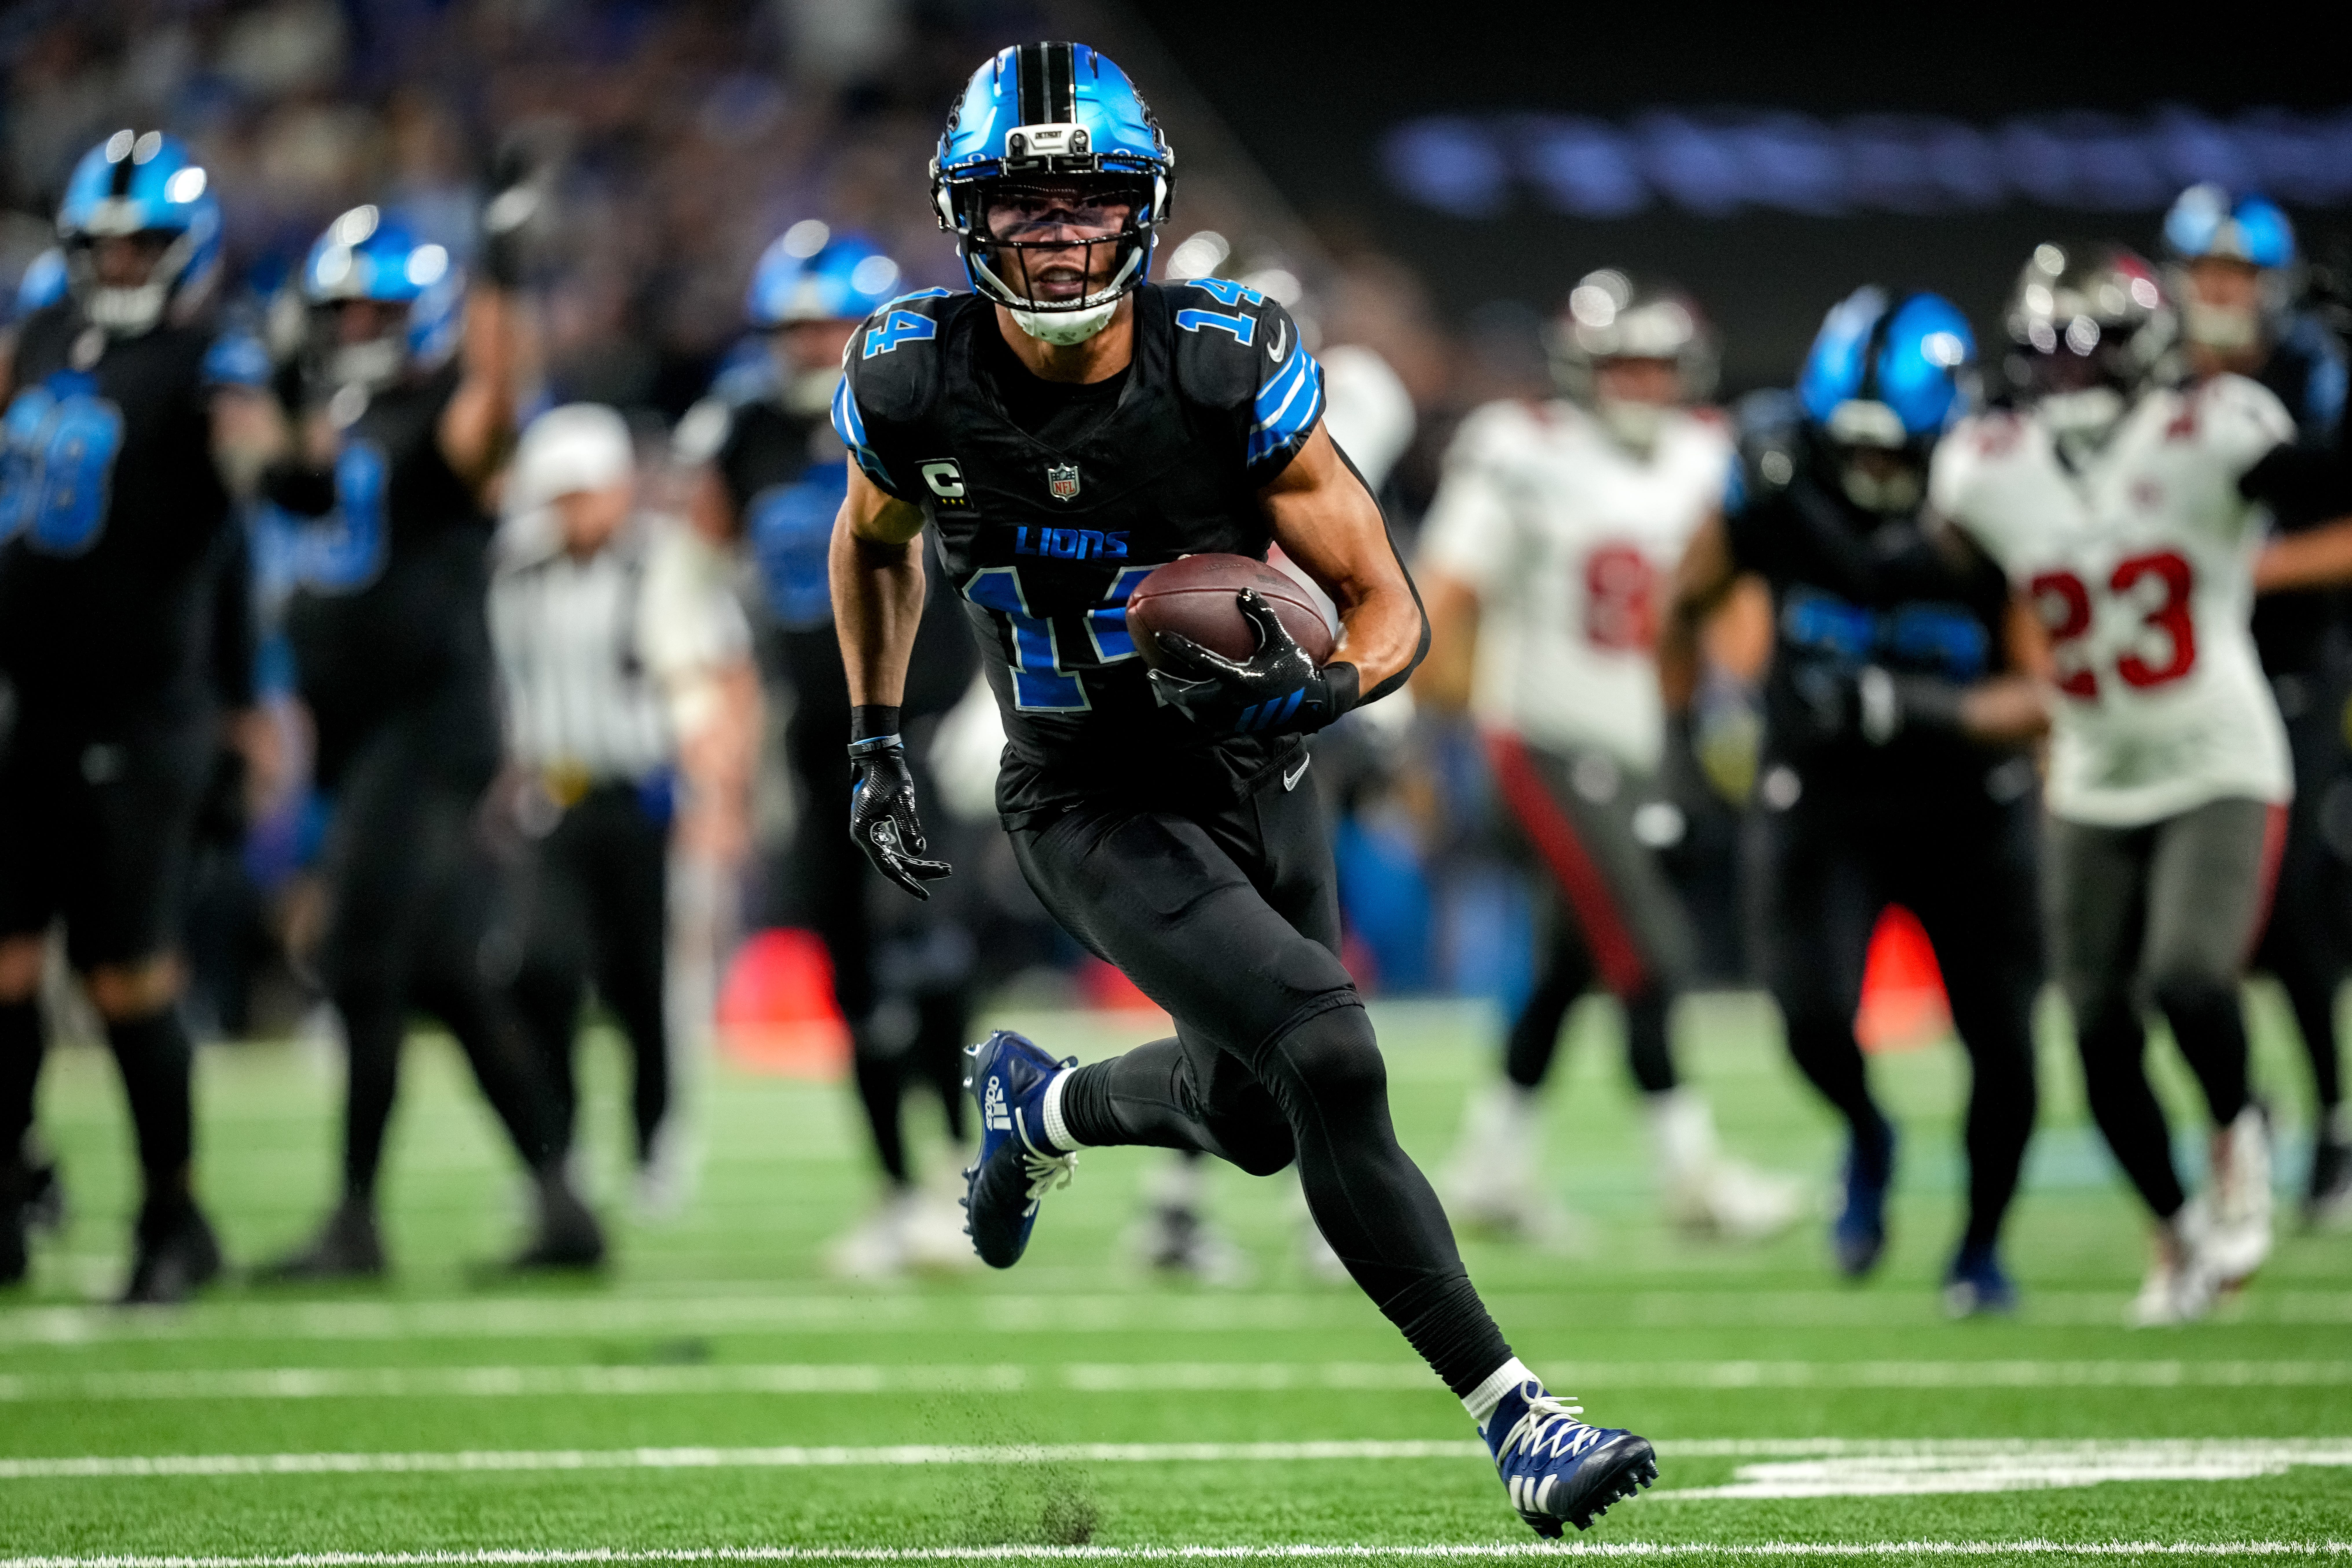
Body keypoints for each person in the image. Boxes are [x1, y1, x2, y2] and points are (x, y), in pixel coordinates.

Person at [830, 43, 1658, 1536]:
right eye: (1025, 207)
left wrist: (1323, 689)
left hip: (1258, 766)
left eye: (1089, 199)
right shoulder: (912, 372)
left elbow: (1382, 594)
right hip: (1085, 793)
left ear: (1143, 208)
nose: (1062, 234)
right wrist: (875, 733)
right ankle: (1520, 1415)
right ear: (967, 220)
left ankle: (1045, 1107)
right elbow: (871, 539)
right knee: (1330, 1052)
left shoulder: (1218, 358)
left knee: (1258, 1111)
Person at [1932, 242, 2312, 1324]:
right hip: (2094, 768)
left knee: (2189, 979)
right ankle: (2178, 1232)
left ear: (2145, 357)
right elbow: (1941, 573)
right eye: (2048, 357)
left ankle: (2240, 1136)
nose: (2069, 378)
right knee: (2097, 1029)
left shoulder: (2216, 427)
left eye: (2091, 355)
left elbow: (2318, 479)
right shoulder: (1985, 461)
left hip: (2215, 755)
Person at [1665, 287, 2050, 1316]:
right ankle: (1870, 1134)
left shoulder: (2006, 490)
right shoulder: (1774, 476)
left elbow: (2052, 686)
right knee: (1806, 1017)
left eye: (1899, 453)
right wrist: (1679, 751)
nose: (1875, 472)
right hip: (1824, 792)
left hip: (1969, 800)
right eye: (1857, 451)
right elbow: (1683, 601)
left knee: (2003, 1041)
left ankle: (1979, 1245)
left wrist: (1907, 704)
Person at [1418, 269, 1801, 1245]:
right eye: (1621, 365)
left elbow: (1729, 611)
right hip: (1537, 737)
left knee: (1567, 966)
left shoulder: (1705, 457)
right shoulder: (1523, 450)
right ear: (1583, 371)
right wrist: (1438, 718)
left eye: (1656, 366)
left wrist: (1734, 699)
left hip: (1637, 745)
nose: (1639, 385)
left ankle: (1491, 1167)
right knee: (1653, 948)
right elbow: (1445, 592)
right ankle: (1693, 1177)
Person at [260, 194, 603, 1279]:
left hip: (430, 726)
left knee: (360, 958)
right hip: (359, 730)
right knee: (447, 976)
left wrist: (503, 270)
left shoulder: (451, 416)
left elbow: (501, 394)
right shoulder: (337, 422)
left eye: (378, 313)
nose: (356, 331)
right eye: (343, 313)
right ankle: (563, 1206)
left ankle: (354, 1219)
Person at [0, 131, 276, 1301]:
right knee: (5, 963)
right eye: (104, 242)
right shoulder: (51, 330)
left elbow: (261, 474)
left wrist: (272, 449)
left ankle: (177, 1213)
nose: (121, 261)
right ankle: (12, 1181)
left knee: (126, 976)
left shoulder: (214, 354)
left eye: (144, 242)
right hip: (36, 699)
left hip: (144, 706)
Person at [678, 227, 978, 1277]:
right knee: (851, 974)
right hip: (820, 736)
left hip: (930, 727)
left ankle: (963, 1171)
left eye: (824, 325)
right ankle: (900, 1188)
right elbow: (703, 559)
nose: (808, 347)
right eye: (792, 327)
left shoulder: (928, 405)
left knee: (928, 957)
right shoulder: (746, 428)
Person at [493, 404, 747, 1212]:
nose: (572, 508)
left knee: (644, 986)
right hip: (557, 800)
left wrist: (723, 796)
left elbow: (724, 677)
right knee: (541, 972)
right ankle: (555, 1156)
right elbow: (508, 686)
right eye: (559, 493)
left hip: (646, 800)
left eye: (584, 491)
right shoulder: (516, 568)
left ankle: (655, 1142)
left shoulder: (664, 563)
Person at [2163, 186, 2352, 1225]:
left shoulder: (2309, 373)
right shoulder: (2155, 372)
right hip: (2171, 672)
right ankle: (2245, 1112)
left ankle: (2330, 1116)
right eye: (2208, 273)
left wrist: (2234, 572)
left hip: (2282, 661)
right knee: (2186, 926)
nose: (2221, 293)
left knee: (2283, 907)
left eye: (2239, 276)